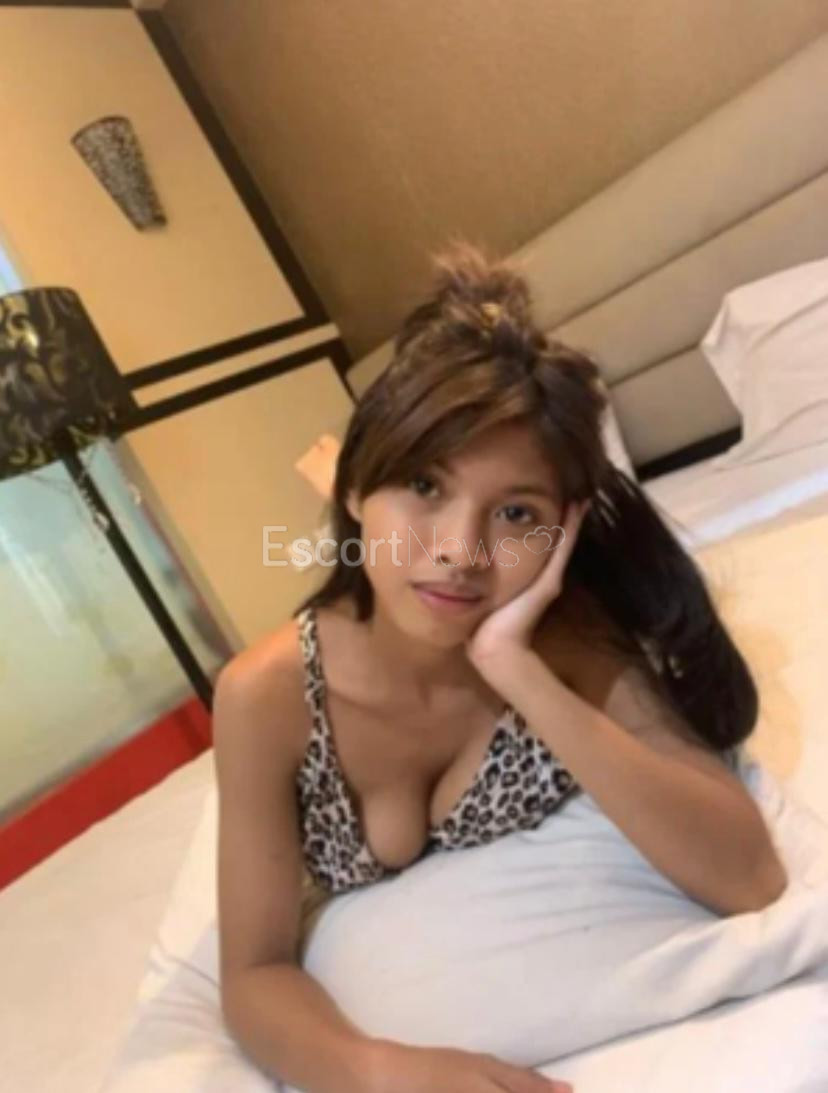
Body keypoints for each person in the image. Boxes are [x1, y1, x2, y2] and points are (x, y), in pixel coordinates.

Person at [212, 241, 787, 1093]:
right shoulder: (267, 697)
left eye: (515, 513)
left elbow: (750, 877)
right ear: (353, 490)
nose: (461, 551)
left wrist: (517, 670)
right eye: (424, 486)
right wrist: (382, 1071)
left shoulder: (565, 633)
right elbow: (253, 972)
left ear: (563, 527)